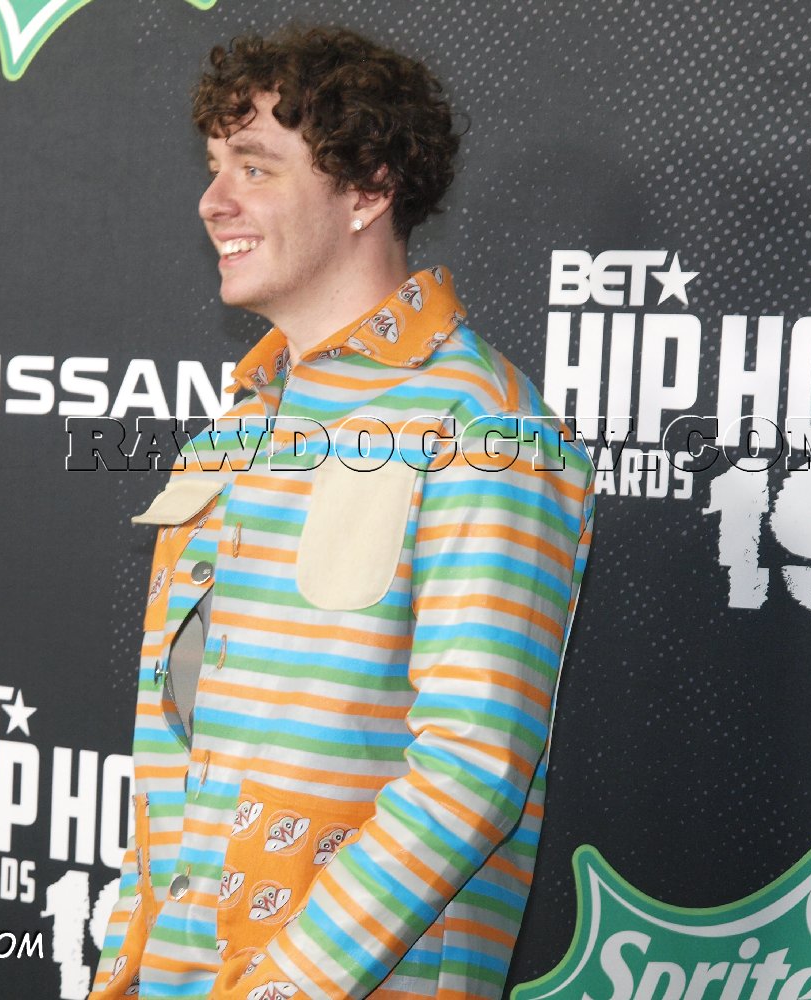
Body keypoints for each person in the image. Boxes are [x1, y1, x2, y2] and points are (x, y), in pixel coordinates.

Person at [90, 25, 596, 1000]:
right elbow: (181, 758)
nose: (213, 201)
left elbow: (470, 771)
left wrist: (282, 988)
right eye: (213, 166)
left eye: (255, 167)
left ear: (367, 189)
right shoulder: (233, 431)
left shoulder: (485, 428)